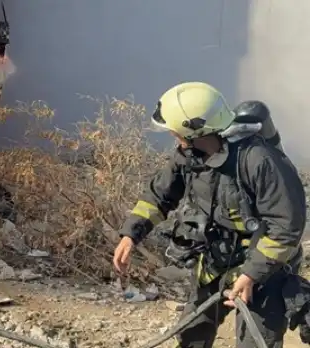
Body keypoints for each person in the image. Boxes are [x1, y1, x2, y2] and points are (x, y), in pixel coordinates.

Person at [112, 82, 306, 348]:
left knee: (255, 342)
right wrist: (130, 235)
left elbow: (286, 227)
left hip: (264, 267)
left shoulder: (260, 161)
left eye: (175, 130)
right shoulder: (189, 154)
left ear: (195, 131)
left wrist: (250, 275)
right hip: (217, 259)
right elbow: (160, 195)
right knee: (192, 333)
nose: (171, 134)